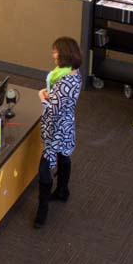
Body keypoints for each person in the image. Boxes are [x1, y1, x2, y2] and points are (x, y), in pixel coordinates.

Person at [35, 37, 83, 229]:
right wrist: (52, 95)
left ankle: (42, 210)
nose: (53, 55)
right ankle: (63, 191)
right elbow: (61, 101)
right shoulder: (73, 73)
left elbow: (53, 109)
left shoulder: (64, 81)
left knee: (44, 169)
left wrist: (42, 96)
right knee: (64, 156)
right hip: (67, 125)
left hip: (57, 129)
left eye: (56, 52)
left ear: (63, 54)